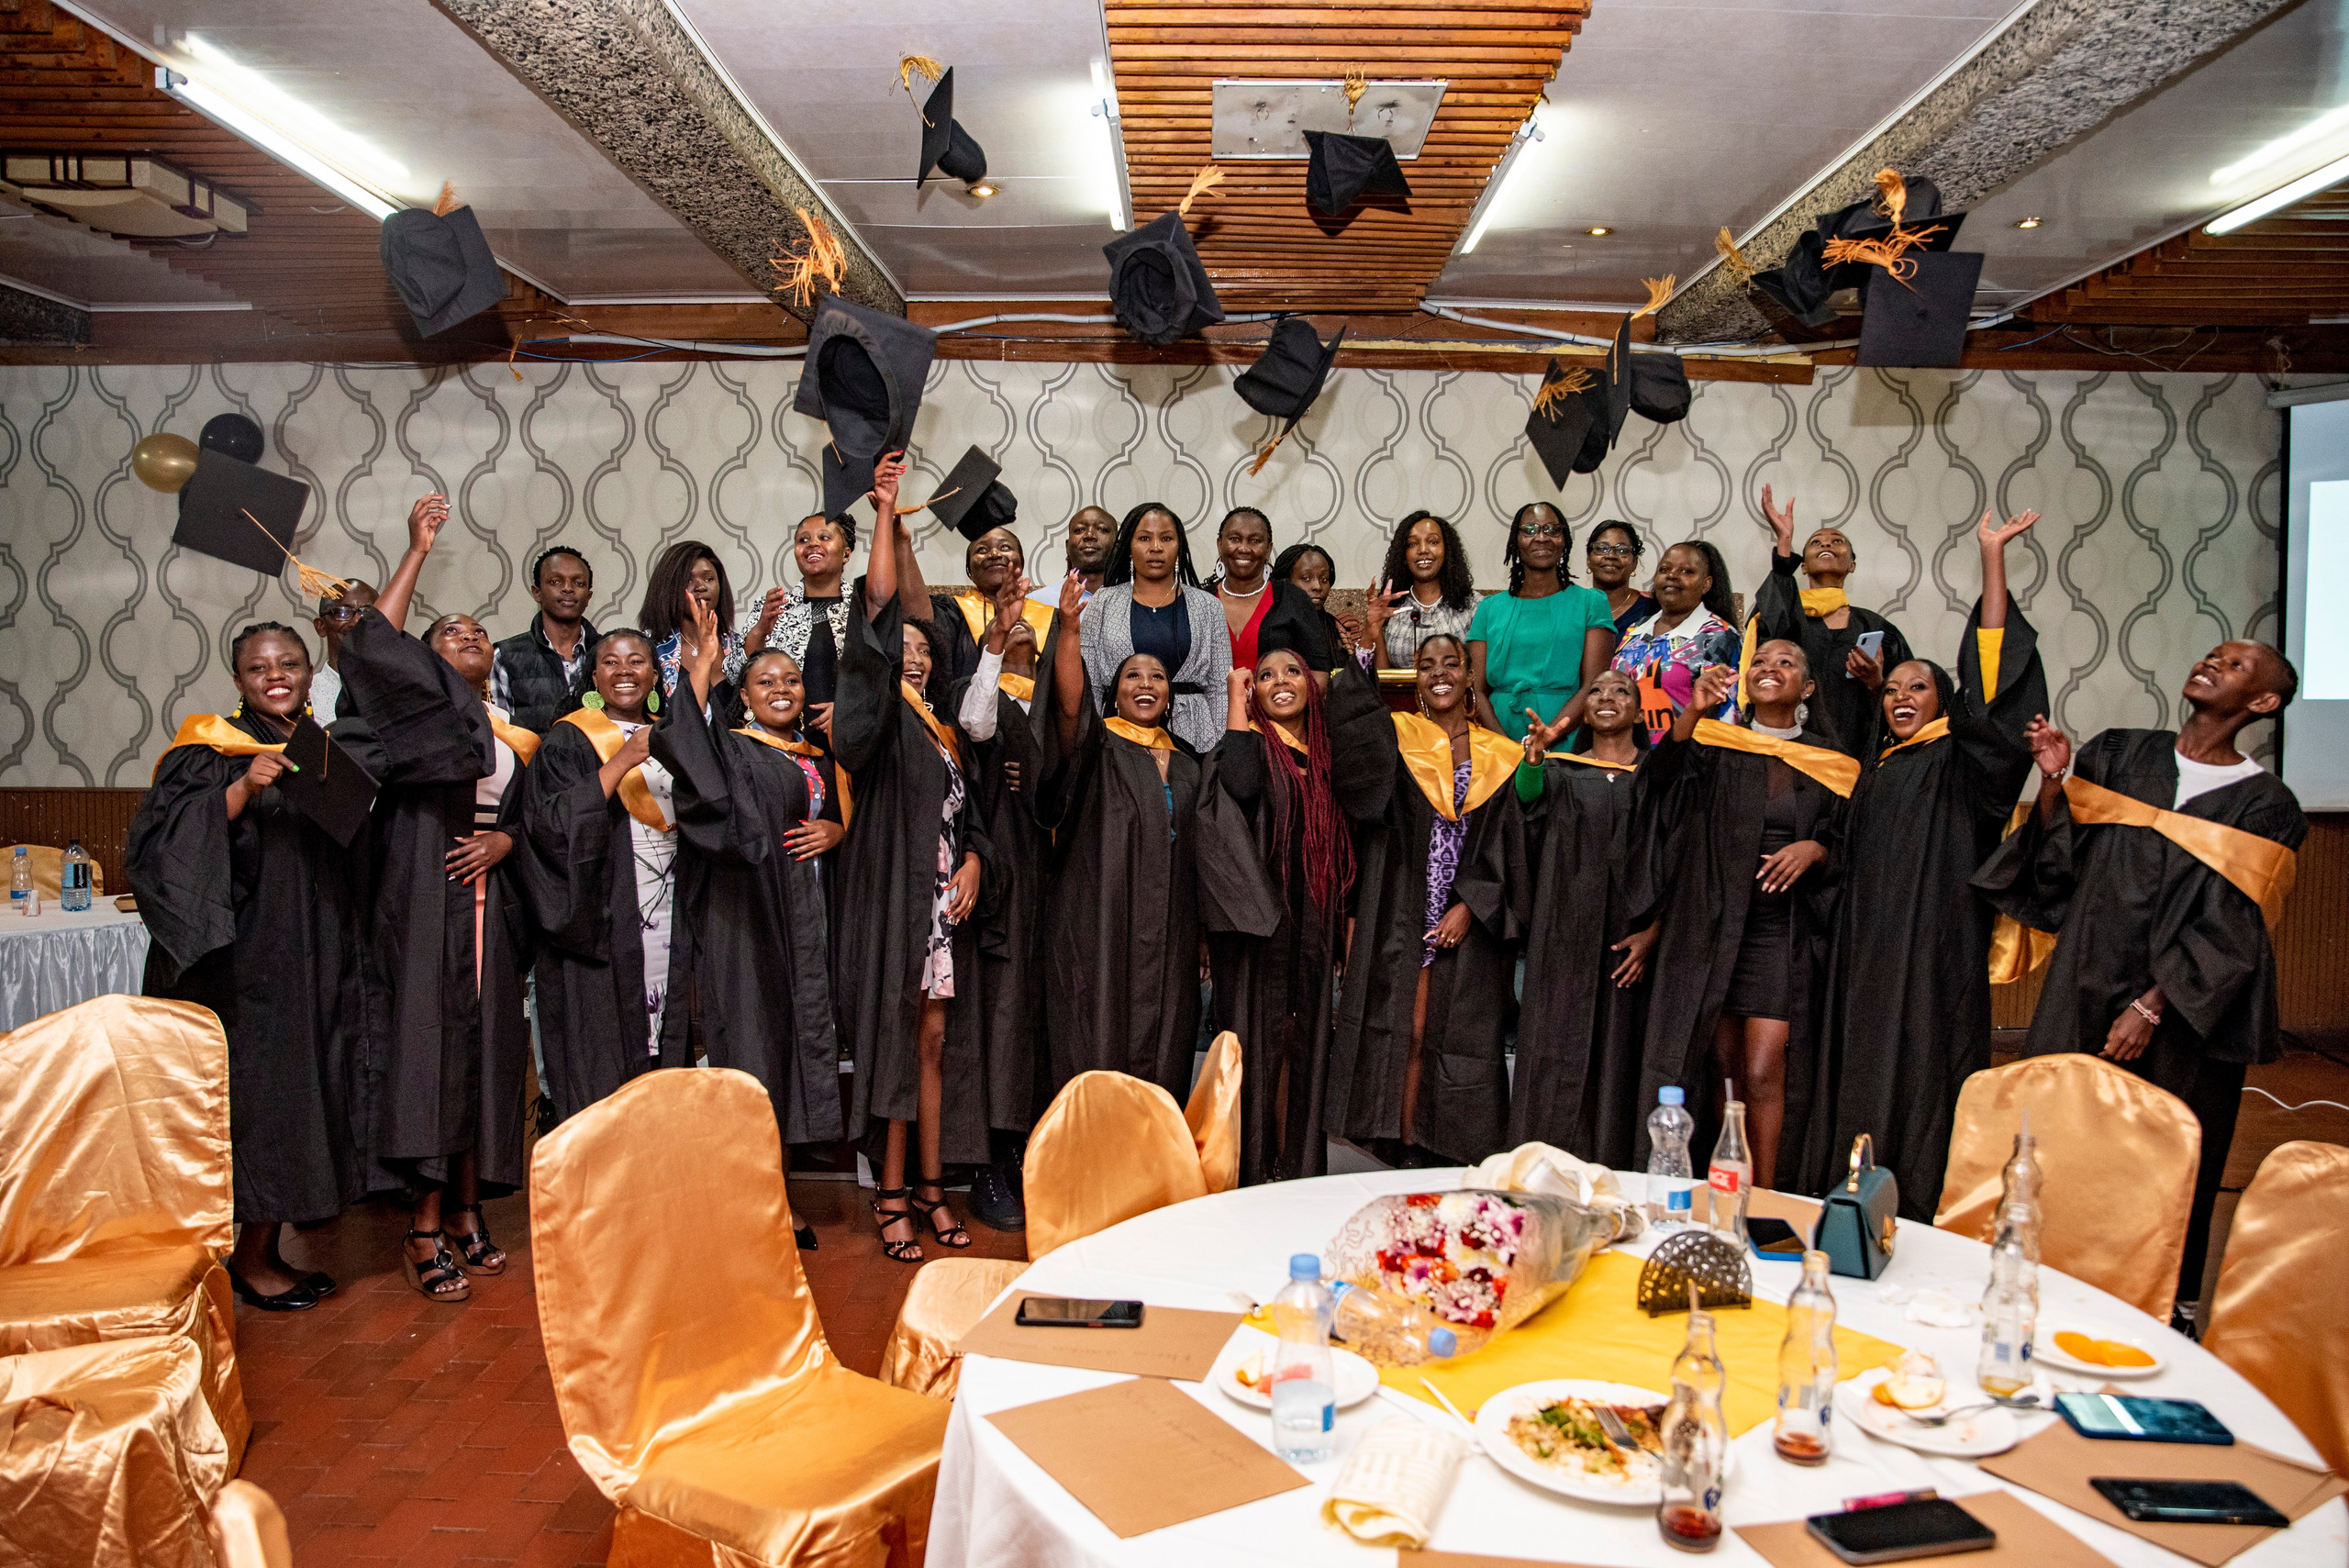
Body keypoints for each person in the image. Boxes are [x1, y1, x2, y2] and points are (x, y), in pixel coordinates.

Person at [1972, 639, 2304, 1330]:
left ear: (2263, 702)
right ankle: (2042, 1280)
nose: (2213, 663)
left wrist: (2154, 1004)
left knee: (2170, 1152)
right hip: (2086, 982)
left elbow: (2235, 926)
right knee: (2059, 1133)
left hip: (2186, 1013)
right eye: (2213, 654)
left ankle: (2159, 1310)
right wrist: (2057, 782)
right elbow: (2059, 870)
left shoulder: (2268, 804)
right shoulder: (2122, 754)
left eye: (2237, 665)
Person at [1798, 509, 2045, 1218]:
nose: (1903, 698)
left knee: (1922, 1067)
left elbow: (1993, 680)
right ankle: (1849, 1188)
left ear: (1946, 704)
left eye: (1920, 688)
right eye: (1895, 688)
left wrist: (1991, 559)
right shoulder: (1876, 766)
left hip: (1932, 950)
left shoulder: (1965, 763)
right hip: (1864, 951)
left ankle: (1919, 1194)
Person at [128, 621, 366, 1311]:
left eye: (289, 662)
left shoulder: (319, 744)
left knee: (301, 1099)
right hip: (242, 968)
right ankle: (249, 1259)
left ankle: (267, 1248)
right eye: (260, 668)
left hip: (311, 954)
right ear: (238, 680)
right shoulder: (208, 750)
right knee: (258, 1108)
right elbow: (161, 853)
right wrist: (240, 790)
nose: (276, 675)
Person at [332, 503, 525, 1303]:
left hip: (491, 910)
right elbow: (372, 647)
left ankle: (468, 1210)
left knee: (484, 1059)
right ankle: (423, 1223)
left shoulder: (515, 733)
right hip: (424, 903)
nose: (468, 637)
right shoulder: (403, 726)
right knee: (428, 1060)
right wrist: (414, 550)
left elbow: (535, 821)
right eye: (448, 633)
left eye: (479, 632)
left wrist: (505, 843)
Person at [830, 461, 993, 1262]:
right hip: (893, 900)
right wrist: (888, 514)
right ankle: (889, 1191)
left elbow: (977, 820)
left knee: (934, 1044)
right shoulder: (876, 723)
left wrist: (972, 864)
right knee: (897, 1042)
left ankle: (931, 1186)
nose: (916, 655)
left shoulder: (946, 730)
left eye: (925, 650)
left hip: (942, 901)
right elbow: (885, 610)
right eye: (903, 649)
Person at [1633, 645, 1854, 1189]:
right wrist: (1693, 712)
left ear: (1807, 690)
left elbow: (1854, 844)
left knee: (1762, 1071)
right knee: (1725, 1074)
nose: (1769, 669)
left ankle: (1766, 1201)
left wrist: (1816, 851)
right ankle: (1730, 1194)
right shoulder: (1717, 744)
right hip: (1714, 930)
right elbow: (1660, 787)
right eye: (1760, 662)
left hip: (1783, 934)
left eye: (1786, 663)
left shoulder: (1831, 761)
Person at [652, 602, 843, 1215]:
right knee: (755, 1046)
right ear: (745, 695)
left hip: (808, 913)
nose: (781, 689)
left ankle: (778, 1196)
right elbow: (692, 759)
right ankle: (750, 1203)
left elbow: (835, 815)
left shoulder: (816, 752)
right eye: (765, 681)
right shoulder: (733, 749)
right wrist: (702, 669)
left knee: (793, 1044)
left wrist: (836, 830)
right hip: (749, 915)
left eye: (791, 679)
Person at [1328, 633, 1526, 1166]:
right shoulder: (1398, 739)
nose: (1439, 673)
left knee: (1456, 1034)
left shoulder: (1501, 756)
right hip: (1403, 902)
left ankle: (1441, 1142)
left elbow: (1511, 842)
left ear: (1467, 677)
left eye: (1450, 664)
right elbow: (1355, 763)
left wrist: (1471, 904)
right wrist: (1366, 651)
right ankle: (1402, 1142)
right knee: (1406, 1029)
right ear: (1415, 679)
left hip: (1466, 908)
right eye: (1426, 665)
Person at [1210, 628, 1392, 1184]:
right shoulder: (1247, 746)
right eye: (1264, 677)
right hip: (1260, 924)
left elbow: (1357, 839)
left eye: (1290, 672)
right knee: (1258, 1040)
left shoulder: (1331, 757)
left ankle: (1297, 1167)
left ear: (1312, 687)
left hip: (1315, 918)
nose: (1279, 682)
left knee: (1305, 1040)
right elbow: (1239, 788)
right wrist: (1235, 705)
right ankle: (1249, 1167)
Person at [1030, 571, 1217, 1108]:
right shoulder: (1099, 747)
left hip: (1172, 929)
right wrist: (1069, 630)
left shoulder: (1188, 766)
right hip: (1100, 919)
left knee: (1167, 1037)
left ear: (1169, 694)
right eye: (1133, 675)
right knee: (1097, 1027)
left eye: (1157, 677)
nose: (1145, 684)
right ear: (1115, 692)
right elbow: (1069, 708)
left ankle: (1155, 1163)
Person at [508, 627, 685, 1122]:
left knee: (664, 1036)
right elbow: (548, 824)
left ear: (655, 675)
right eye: (610, 662)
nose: (624, 671)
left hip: (670, 906)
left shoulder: (678, 733)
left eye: (636, 662)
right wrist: (626, 757)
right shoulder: (569, 738)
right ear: (593, 676)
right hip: (605, 911)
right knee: (602, 1042)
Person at [1507, 669, 1659, 1166]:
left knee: (1620, 1059)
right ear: (1583, 710)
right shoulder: (1559, 770)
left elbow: (1682, 861)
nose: (1607, 697)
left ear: (1640, 711)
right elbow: (1527, 803)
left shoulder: (1659, 777)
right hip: (1564, 938)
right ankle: (1545, 1171)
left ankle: (1619, 1172)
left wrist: (1653, 934)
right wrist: (1534, 757)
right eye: (1595, 691)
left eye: (1621, 691)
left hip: (1629, 946)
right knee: (1556, 1048)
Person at [952, 573, 1050, 1233]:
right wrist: (991, 646)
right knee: (1003, 1012)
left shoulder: (1053, 701)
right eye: (1009, 629)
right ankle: (990, 1158)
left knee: (1040, 1015)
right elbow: (976, 722)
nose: (1020, 634)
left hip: (1059, 876)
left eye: (1027, 634)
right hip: (1006, 867)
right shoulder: (985, 696)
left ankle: (1029, 1151)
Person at [1753, 486, 1913, 756]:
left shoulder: (1876, 627)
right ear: (1802, 566)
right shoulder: (1785, 612)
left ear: (1852, 564)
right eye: (1816, 542)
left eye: (1837, 541)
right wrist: (1784, 542)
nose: (1826, 544)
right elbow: (1767, 639)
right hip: (1789, 752)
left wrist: (1876, 683)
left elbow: (1904, 697)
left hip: (1857, 755)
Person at [1079, 502, 1231, 752]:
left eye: (1166, 538)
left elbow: (1219, 687)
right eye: (1144, 538)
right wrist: (1092, 741)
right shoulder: (1103, 603)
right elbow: (1091, 684)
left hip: (1196, 738)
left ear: (1179, 545)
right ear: (1129, 546)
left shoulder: (1208, 606)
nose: (1156, 547)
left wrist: (1220, 748)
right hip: (1117, 737)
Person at [1466, 502, 1617, 742]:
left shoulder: (1590, 603)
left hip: (1566, 735)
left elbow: (1593, 685)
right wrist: (1503, 745)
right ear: (1516, 540)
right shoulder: (1489, 608)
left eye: (1552, 530)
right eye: (1530, 529)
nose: (1542, 538)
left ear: (1564, 540)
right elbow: (1476, 689)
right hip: (1496, 736)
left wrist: (1548, 735)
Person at [1614, 539, 1742, 744]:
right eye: (1664, 569)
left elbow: (1725, 714)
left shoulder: (1719, 636)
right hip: (1625, 759)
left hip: (1684, 762)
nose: (1672, 576)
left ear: (1706, 584)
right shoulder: (1635, 629)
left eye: (1687, 572)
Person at [755, 512, 857, 744]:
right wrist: (760, 630)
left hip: (852, 744)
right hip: (785, 744)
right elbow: (737, 675)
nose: (812, 544)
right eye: (803, 540)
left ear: (846, 553)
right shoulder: (773, 606)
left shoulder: (865, 609)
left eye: (824, 537)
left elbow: (883, 678)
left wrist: (849, 710)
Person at [490, 545, 599, 734]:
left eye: (579, 583)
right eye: (555, 581)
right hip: (532, 763)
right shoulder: (505, 657)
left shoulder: (608, 654)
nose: (567, 589)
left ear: (589, 596)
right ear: (537, 592)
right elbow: (502, 735)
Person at [936, 525, 1053, 685]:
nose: (994, 554)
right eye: (982, 550)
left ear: (1021, 562)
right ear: (969, 570)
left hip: (1038, 710)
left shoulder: (1054, 619)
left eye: (1005, 547)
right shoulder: (952, 613)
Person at [640, 539, 745, 702]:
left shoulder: (739, 646)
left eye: (709, 579)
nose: (701, 586)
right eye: (689, 580)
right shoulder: (648, 647)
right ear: (668, 587)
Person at [1374, 509, 1478, 667]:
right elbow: (1382, 679)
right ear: (1403, 554)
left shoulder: (1473, 606)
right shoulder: (1389, 607)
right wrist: (1374, 628)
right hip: (1400, 692)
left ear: (1447, 550)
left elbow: (1477, 674)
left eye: (1433, 542)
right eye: (1413, 544)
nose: (1423, 550)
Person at [306, 577, 378, 719]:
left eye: (367, 613)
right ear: (321, 626)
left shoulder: (399, 687)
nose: (356, 621)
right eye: (343, 613)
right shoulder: (306, 694)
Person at [1274, 539, 1363, 655]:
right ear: (1285, 581)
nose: (1317, 586)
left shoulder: (1339, 632)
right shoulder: (1272, 628)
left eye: (1324, 579)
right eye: (1306, 578)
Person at [1586, 520, 1655, 637]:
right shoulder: (1575, 607)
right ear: (1588, 560)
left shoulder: (1651, 610)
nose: (1611, 555)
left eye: (1622, 550)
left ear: (1635, 563)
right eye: (1602, 548)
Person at [1064, 505, 1118, 598]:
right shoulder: (1038, 602)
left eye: (1102, 529)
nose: (1089, 535)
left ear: (1117, 546)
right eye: (1079, 530)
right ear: (1067, 546)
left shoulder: (1137, 599)